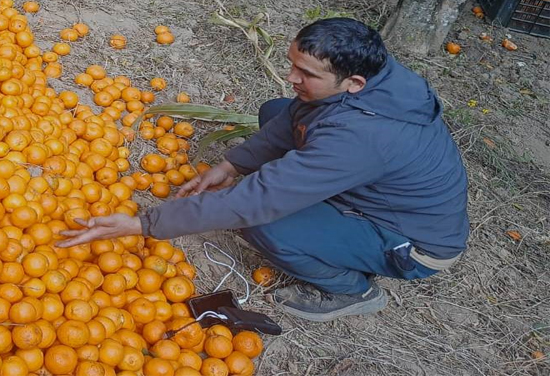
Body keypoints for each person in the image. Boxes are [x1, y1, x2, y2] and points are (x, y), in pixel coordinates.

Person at [57, 18, 469, 322]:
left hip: (407, 244)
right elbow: (293, 118)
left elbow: (256, 201)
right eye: (292, 64)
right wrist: (232, 163)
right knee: (278, 110)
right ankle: (328, 215)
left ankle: (353, 291)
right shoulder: (379, 76)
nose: (290, 77)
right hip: (372, 186)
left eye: (306, 74)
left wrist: (143, 223)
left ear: (354, 83)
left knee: (264, 223)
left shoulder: (361, 137)